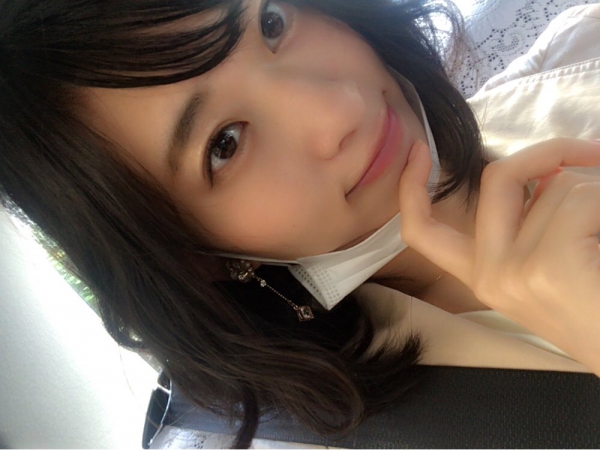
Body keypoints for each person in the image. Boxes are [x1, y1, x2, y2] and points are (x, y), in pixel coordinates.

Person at [0, 0, 599, 447]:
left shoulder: (579, 47)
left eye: (271, 24)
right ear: (189, 255)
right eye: (225, 144)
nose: (339, 108)